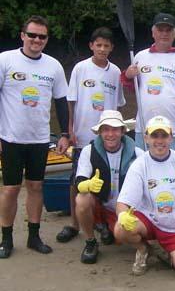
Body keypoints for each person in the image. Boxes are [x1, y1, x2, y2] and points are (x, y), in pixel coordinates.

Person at [0, 15, 70, 258]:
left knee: (36, 186)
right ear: (22, 35)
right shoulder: (6, 60)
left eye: (42, 36)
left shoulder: (53, 66)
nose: (36, 40)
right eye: (32, 35)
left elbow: (61, 102)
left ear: (46, 39)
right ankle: (6, 239)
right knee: (10, 189)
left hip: (40, 139)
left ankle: (34, 236)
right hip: (10, 138)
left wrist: (64, 134)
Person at [57, 27, 126, 244]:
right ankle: (74, 224)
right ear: (91, 46)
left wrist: (118, 131)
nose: (102, 49)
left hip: (107, 137)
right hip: (83, 135)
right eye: (99, 45)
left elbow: (119, 105)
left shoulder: (115, 72)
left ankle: (101, 221)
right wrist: (69, 131)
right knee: (77, 181)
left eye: (106, 46)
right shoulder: (80, 68)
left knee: (104, 179)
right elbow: (71, 101)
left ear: (111, 48)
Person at [114, 115, 175, 277]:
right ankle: (144, 249)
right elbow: (123, 202)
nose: (159, 140)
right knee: (120, 229)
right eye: (155, 135)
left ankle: (166, 253)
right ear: (146, 138)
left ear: (171, 138)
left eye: (164, 135)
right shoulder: (139, 165)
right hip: (149, 221)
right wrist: (122, 216)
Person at [122, 12, 175, 153]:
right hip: (144, 129)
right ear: (153, 32)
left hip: (173, 130)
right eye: (160, 30)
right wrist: (127, 76)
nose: (164, 34)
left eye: (168, 30)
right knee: (143, 169)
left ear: (174, 34)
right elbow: (133, 89)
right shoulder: (140, 56)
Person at [73, 110, 142, 264]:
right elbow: (79, 182)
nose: (110, 134)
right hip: (101, 204)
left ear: (123, 131)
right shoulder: (88, 151)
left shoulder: (138, 154)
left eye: (115, 129)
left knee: (121, 236)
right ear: (100, 132)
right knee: (82, 199)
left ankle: (107, 228)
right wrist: (88, 184)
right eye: (106, 129)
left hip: (126, 208)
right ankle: (91, 242)